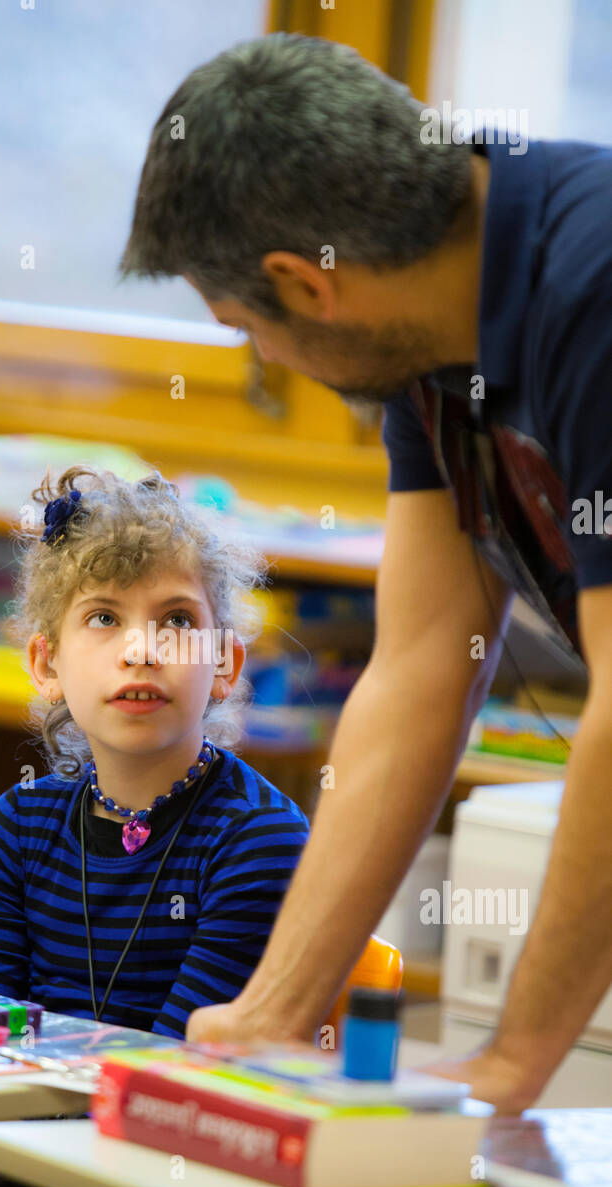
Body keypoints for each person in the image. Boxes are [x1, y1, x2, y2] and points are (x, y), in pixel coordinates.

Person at [117, 32, 612, 1115]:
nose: (265, 362)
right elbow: (421, 665)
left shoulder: (593, 280)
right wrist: (272, 1011)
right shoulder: (432, 344)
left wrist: (509, 1063)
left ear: (305, 283)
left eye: (248, 329)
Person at [0, 464, 309, 1187]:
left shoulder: (259, 840)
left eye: (176, 620)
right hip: (25, 1162)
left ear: (227, 662)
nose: (141, 647)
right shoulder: (18, 826)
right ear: (45, 664)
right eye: (104, 618)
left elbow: (168, 1076)